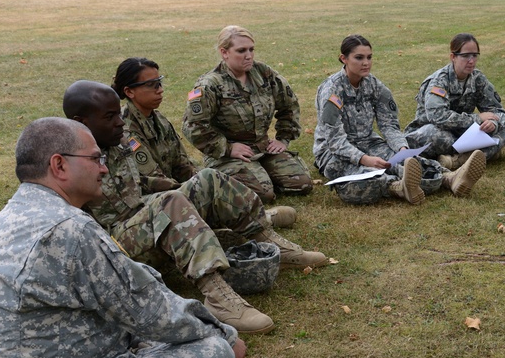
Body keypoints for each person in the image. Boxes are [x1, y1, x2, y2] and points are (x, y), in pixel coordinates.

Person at [0, 117, 268, 358]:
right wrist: (225, 335)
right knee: (213, 353)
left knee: (153, 337)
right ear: (59, 165)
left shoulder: (18, 214)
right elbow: (152, 311)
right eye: (95, 159)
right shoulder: (69, 230)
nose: (104, 169)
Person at [63, 81, 320, 333]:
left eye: (119, 114)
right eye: (110, 117)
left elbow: (133, 182)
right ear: (82, 122)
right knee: (171, 204)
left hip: (141, 216)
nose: (120, 122)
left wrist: (179, 186)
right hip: (115, 246)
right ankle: (216, 295)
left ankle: (265, 238)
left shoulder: (114, 143)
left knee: (207, 179)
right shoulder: (69, 167)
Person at [114, 57, 296, 230]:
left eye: (160, 82)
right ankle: (260, 219)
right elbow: (155, 181)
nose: (160, 89)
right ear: (129, 91)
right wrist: (200, 190)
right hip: (155, 201)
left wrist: (199, 181)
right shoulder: (128, 132)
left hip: (173, 191)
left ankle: (250, 217)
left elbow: (182, 163)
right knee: (207, 197)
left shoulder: (157, 119)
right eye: (152, 85)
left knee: (211, 184)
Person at [314, 35, 486, 204]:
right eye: (359, 58)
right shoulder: (332, 90)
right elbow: (334, 140)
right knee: (364, 174)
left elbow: (388, 124)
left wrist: (401, 148)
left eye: (369, 57)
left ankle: (449, 177)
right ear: (344, 59)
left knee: (405, 162)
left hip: (368, 142)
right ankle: (396, 186)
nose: (366, 63)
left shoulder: (374, 85)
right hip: (334, 152)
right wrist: (364, 159)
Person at [184, 25, 313, 204]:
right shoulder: (210, 85)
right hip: (226, 155)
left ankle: (261, 174)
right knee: (264, 195)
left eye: (251, 49)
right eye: (241, 50)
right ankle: (227, 177)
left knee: (302, 185)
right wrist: (228, 148)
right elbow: (193, 127)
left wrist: (283, 138)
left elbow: (289, 104)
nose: (249, 55)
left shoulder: (263, 73)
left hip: (262, 148)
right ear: (224, 52)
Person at [404, 33, 505, 168]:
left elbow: (499, 112)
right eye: (466, 56)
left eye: (474, 55)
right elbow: (437, 117)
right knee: (437, 135)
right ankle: (482, 154)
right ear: (453, 57)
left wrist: (492, 123)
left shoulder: (478, 79)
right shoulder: (438, 81)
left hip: (462, 131)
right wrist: (477, 119)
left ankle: (458, 160)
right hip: (435, 130)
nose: (471, 60)